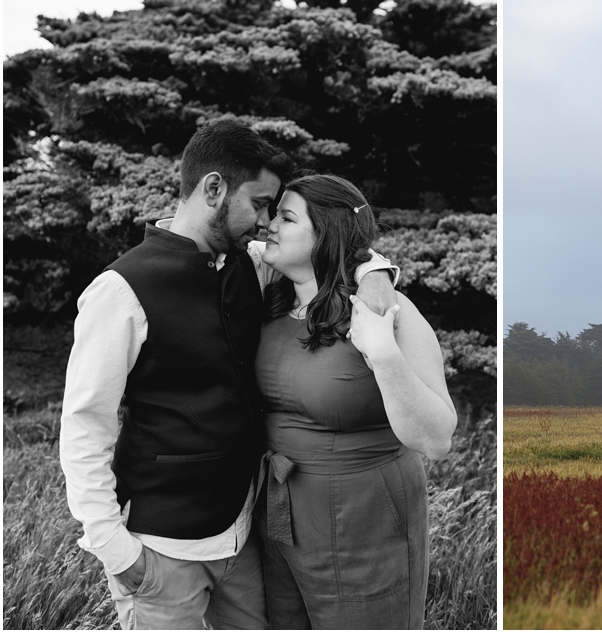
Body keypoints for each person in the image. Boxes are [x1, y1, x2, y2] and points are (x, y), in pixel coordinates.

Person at [59, 120, 398, 630]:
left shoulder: (250, 262)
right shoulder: (120, 290)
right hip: (161, 550)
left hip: (242, 537)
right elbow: (85, 426)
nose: (266, 222)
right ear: (213, 189)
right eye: (260, 204)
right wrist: (115, 550)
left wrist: (374, 271)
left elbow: (327, 247)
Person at [254, 174, 457, 630]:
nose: (270, 224)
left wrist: (383, 354)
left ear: (325, 234)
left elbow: (438, 438)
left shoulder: (389, 312)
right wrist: (372, 267)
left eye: (286, 217)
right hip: (279, 516)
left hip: (364, 520)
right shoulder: (270, 296)